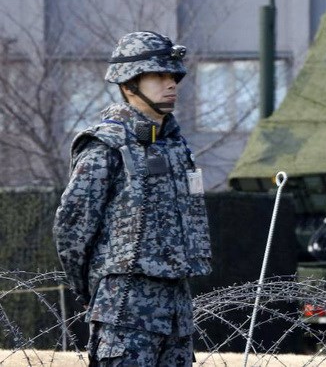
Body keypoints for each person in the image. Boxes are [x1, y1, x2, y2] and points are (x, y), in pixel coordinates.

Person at [53, 31, 212, 366]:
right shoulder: (106, 145)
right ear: (129, 84)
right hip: (125, 309)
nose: (171, 84)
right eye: (158, 76)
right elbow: (72, 228)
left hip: (176, 312)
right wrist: (88, 290)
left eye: (173, 76)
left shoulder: (175, 146)